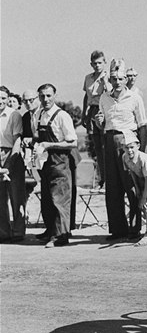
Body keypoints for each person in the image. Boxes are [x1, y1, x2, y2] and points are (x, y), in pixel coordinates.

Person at [96, 59, 147, 241]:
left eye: (120, 78)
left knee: (131, 184)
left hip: (128, 141)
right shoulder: (104, 97)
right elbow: (102, 123)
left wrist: (141, 150)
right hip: (110, 140)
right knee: (113, 186)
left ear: (126, 79)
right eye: (113, 78)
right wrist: (99, 122)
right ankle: (118, 230)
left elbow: (142, 125)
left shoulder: (135, 98)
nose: (116, 82)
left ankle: (135, 229)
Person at [33, 83, 78, 247]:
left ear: (55, 96)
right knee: (46, 198)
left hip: (60, 161)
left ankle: (60, 236)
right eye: (42, 96)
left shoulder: (62, 116)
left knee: (59, 199)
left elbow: (72, 143)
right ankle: (50, 231)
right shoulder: (39, 114)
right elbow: (38, 137)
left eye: (48, 96)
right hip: (45, 162)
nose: (45, 99)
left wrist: (49, 145)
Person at [122, 130, 147, 246]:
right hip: (140, 177)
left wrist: (144, 197)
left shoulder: (143, 158)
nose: (129, 150)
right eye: (126, 147)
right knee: (140, 203)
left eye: (132, 147)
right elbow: (132, 172)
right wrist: (138, 190)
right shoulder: (125, 157)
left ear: (138, 146)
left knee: (146, 204)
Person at [0, 86, 26, 243]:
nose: (0, 101)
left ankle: (18, 232)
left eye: (3, 98)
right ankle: (3, 232)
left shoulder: (14, 115)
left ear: (8, 99)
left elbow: (17, 140)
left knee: (16, 196)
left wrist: (9, 164)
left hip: (12, 154)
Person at [81, 50, 109, 189]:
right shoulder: (88, 78)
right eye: (95, 63)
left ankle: (109, 178)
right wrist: (83, 114)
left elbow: (110, 93)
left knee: (105, 146)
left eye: (100, 63)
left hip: (104, 110)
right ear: (91, 64)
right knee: (97, 148)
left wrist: (105, 81)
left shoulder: (108, 77)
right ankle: (102, 179)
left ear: (105, 63)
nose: (97, 65)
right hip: (92, 110)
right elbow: (86, 96)